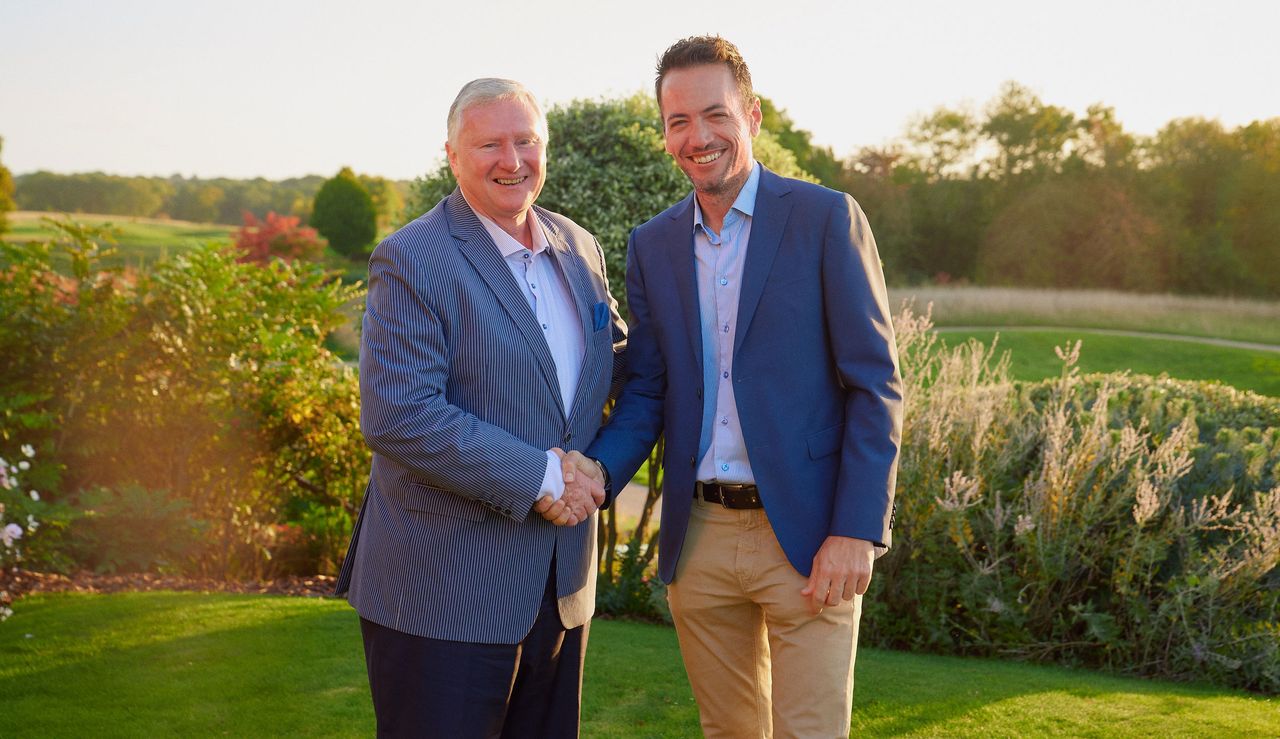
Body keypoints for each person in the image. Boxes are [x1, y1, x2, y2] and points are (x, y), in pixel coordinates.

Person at [576, 36, 903, 737]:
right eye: (678, 122)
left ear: (750, 116)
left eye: (715, 114)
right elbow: (648, 390)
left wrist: (856, 529)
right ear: (665, 134)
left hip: (812, 536)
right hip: (701, 539)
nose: (699, 137)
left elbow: (875, 383)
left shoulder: (824, 219)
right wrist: (597, 472)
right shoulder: (652, 244)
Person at [334, 77, 626, 738]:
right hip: (443, 595)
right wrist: (549, 478)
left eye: (526, 141)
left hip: (559, 588)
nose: (511, 159)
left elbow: (609, 372)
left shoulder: (579, 249)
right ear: (452, 155)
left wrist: (598, 471)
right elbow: (401, 413)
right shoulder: (414, 258)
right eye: (489, 143)